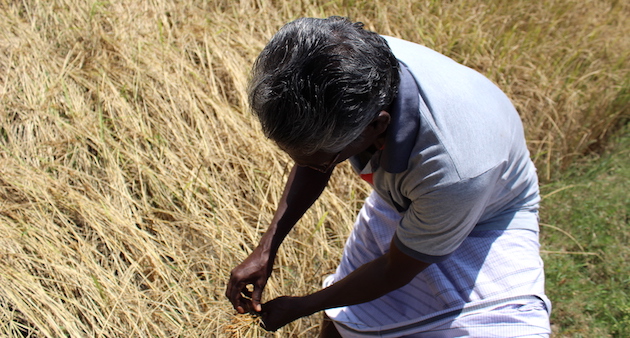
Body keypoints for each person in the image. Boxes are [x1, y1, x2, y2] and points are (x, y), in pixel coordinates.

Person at [226, 16, 551, 337]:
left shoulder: (451, 172)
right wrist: (267, 248)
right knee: (344, 321)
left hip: (488, 216)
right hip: (420, 197)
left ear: (378, 127)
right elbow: (312, 159)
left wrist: (304, 306)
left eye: (327, 161)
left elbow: (394, 271)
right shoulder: (346, 62)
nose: (316, 166)